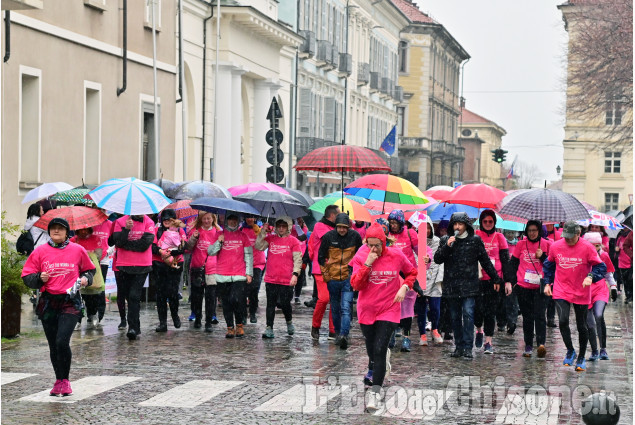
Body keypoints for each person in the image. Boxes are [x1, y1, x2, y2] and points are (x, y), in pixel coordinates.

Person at [21, 218, 96, 397]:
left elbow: (89, 270)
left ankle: (65, 380)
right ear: (49, 231)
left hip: (70, 301)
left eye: (60, 229)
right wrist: (39, 278)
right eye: (53, 229)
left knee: (62, 341)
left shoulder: (78, 250)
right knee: (54, 344)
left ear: (66, 232)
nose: (56, 231)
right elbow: (27, 276)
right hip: (48, 302)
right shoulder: (40, 251)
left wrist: (86, 279)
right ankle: (58, 380)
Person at [349, 223, 417, 413]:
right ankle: (379, 362)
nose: (374, 249)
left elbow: (412, 272)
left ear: (384, 242)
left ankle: (375, 393)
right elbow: (356, 285)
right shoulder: (361, 255)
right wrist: (368, 263)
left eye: (377, 245)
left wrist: (404, 286)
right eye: (370, 244)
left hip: (389, 308)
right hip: (367, 310)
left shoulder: (396, 254)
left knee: (379, 350)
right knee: (372, 352)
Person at [434, 212, 502, 359]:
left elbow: (485, 261)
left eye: (460, 224)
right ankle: (458, 346)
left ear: (466, 225)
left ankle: (467, 346)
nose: (458, 227)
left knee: (468, 314)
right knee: (455, 316)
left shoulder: (475, 240)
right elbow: (437, 259)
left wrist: (496, 278)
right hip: (452, 285)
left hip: (469, 285)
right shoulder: (447, 239)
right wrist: (447, 246)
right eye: (455, 224)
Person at [543, 221, 607, 372]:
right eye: (566, 237)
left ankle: (581, 357)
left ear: (579, 234)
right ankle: (570, 350)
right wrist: (547, 283)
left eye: (571, 237)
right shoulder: (556, 246)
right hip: (561, 289)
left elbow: (600, 266)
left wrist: (591, 276)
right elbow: (548, 265)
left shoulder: (587, 248)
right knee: (563, 320)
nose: (568, 240)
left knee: (581, 325)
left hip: (581, 290)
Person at [318, 213, 363, 349]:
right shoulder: (328, 237)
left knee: (345, 307)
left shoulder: (355, 237)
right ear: (336, 226)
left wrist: (356, 274)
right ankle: (338, 332)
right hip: (332, 278)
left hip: (348, 277)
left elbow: (360, 255)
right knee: (335, 308)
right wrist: (326, 273)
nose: (342, 230)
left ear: (348, 227)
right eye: (339, 227)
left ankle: (344, 334)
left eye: (345, 227)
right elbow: (320, 256)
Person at [509, 220, 552, 358]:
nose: (532, 233)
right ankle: (528, 345)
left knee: (540, 315)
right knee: (527, 317)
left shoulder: (547, 244)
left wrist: (543, 256)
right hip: (523, 287)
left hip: (541, 287)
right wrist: (513, 281)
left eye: (534, 230)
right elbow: (513, 263)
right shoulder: (521, 244)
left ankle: (541, 344)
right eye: (529, 230)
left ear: (539, 231)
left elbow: (552, 266)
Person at [473, 210, 513, 354]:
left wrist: (507, 281)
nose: (488, 224)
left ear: (494, 222)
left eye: (491, 221)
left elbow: (505, 260)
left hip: (495, 280)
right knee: (477, 311)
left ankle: (488, 341)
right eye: (485, 222)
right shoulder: (476, 235)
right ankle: (479, 330)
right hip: (478, 279)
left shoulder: (500, 237)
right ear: (481, 222)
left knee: (490, 311)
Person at [255, 217, 303, 338]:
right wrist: (263, 232)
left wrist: (295, 274)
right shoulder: (271, 238)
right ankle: (269, 327)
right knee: (270, 304)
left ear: (289, 227)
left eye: (284, 226)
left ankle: (289, 322)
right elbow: (259, 246)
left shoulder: (294, 241)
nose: (281, 228)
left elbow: (298, 259)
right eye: (279, 226)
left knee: (285, 304)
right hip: (271, 278)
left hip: (286, 279)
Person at [111, 214, 155, 340]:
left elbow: (145, 244)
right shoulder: (120, 221)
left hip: (143, 265)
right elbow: (118, 242)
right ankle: (135, 326)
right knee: (128, 296)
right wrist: (126, 230)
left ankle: (133, 328)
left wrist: (127, 245)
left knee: (134, 295)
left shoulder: (148, 222)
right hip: (124, 265)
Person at [208, 214, 253, 338]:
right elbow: (211, 252)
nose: (232, 222)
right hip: (222, 274)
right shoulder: (219, 235)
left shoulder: (243, 236)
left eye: (235, 220)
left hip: (239, 274)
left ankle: (239, 325)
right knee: (226, 302)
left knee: (237, 300)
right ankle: (230, 328)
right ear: (226, 221)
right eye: (230, 219)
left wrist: (249, 273)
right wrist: (219, 242)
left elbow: (248, 256)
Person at [387, 210, 425, 352]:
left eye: (396, 223)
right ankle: (390, 335)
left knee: (407, 310)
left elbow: (421, 252)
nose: (393, 225)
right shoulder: (387, 235)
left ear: (401, 223)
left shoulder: (410, 234)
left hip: (408, 278)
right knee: (391, 308)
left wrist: (426, 260)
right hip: (391, 278)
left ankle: (406, 338)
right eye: (391, 223)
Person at [185, 211, 222, 332]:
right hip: (197, 267)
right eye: (204, 219)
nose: (206, 221)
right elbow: (188, 248)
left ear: (213, 219)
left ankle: (208, 321)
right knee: (197, 296)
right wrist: (193, 238)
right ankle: (198, 318)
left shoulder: (218, 232)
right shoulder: (195, 231)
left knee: (211, 297)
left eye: (208, 219)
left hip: (212, 269)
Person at [582, 232, 616, 361]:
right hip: (585, 290)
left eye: (597, 245)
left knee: (599, 315)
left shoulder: (604, 255)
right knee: (589, 323)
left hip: (600, 289)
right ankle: (594, 350)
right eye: (592, 245)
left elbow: (608, 273)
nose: (595, 248)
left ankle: (603, 349)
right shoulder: (581, 255)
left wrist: (613, 286)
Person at [151, 209, 186, 333]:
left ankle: (175, 316)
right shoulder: (156, 231)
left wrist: (171, 252)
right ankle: (162, 322)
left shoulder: (179, 230)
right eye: (165, 219)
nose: (167, 221)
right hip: (159, 264)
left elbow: (183, 247)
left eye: (170, 219)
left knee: (173, 292)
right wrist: (161, 251)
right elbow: (153, 246)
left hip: (176, 263)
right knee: (160, 294)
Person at [309, 205, 339, 340]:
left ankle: (333, 330)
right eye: (338, 215)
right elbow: (329, 238)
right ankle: (315, 326)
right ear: (332, 216)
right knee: (324, 298)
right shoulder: (319, 226)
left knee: (334, 299)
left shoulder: (336, 227)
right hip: (321, 268)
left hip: (335, 268)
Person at [70, 227, 105, 330]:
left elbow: (98, 255)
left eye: (86, 230)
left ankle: (93, 314)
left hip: (91, 270)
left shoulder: (96, 239)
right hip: (76, 270)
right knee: (77, 295)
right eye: (81, 230)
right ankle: (78, 319)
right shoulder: (73, 241)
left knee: (92, 295)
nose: (83, 232)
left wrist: (88, 257)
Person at [416, 217, 444, 346]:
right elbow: (414, 258)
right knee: (421, 306)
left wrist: (438, 277)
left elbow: (439, 260)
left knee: (435, 307)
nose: (426, 230)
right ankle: (422, 333)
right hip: (420, 275)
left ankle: (435, 329)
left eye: (428, 227)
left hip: (434, 275)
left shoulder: (437, 241)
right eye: (423, 228)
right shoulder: (416, 242)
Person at [241, 217, 265, 324]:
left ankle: (253, 313)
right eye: (248, 217)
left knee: (254, 289)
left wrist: (262, 233)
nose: (250, 219)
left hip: (258, 263)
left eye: (252, 217)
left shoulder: (259, 230)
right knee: (243, 290)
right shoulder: (241, 230)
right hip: (244, 264)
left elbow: (264, 245)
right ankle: (243, 315)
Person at [291, 218, 309, 304]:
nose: (299, 222)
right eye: (297, 221)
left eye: (301, 221)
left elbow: (305, 242)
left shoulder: (305, 230)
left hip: (302, 256)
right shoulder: (291, 229)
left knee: (300, 278)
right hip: (292, 257)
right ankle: (290, 294)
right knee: (291, 276)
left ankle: (297, 296)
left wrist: (305, 260)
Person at [615, 228, 633, 303]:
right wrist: (632, 255)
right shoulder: (630, 234)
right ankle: (629, 295)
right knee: (626, 279)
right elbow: (625, 246)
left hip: (629, 261)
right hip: (624, 261)